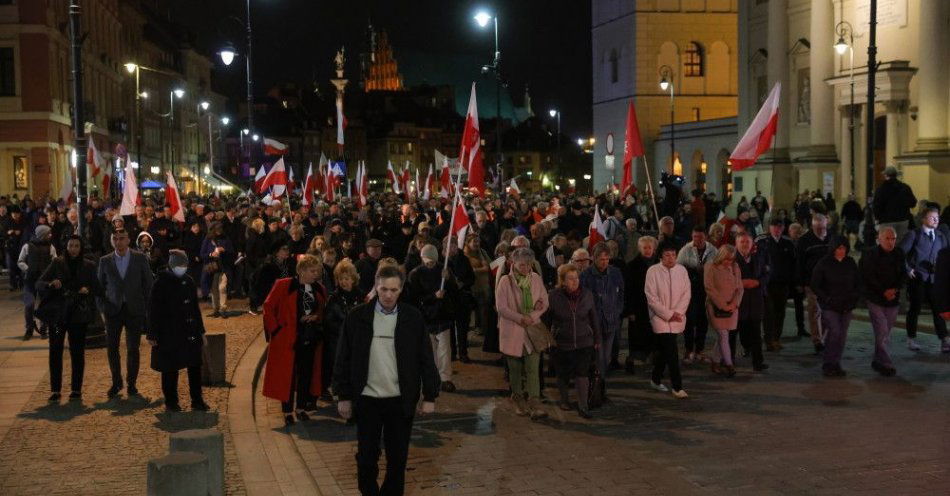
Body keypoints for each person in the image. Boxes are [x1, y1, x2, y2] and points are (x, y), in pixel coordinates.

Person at [333, 264, 440, 496]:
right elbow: (343, 357)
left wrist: (430, 395)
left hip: (400, 400)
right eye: (383, 289)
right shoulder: (357, 317)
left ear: (401, 289)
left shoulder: (412, 318)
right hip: (368, 399)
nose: (388, 295)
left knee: (398, 459)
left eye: (393, 290)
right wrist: (343, 395)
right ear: (376, 287)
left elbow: (425, 358)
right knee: (366, 457)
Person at [262, 255, 328, 424]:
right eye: (312, 271)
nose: (316, 274)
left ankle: (301, 408)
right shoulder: (284, 285)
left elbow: (322, 311)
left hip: (310, 337)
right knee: (288, 376)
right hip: (288, 338)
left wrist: (315, 318)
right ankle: (287, 411)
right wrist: (276, 330)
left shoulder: (319, 289)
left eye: (317, 271)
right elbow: (268, 307)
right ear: (302, 270)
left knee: (306, 374)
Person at [37, 235, 101, 401]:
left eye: (76, 246)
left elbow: (98, 288)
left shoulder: (89, 265)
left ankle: (76, 389)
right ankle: (55, 390)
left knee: (77, 352)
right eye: (71, 245)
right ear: (66, 247)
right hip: (59, 314)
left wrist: (88, 290)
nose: (73, 249)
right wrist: (51, 284)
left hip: (78, 316)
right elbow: (40, 282)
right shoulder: (57, 262)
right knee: (55, 349)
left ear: (81, 248)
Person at [146, 250, 210, 412]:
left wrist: (201, 331)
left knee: (194, 366)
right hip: (170, 333)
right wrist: (152, 333)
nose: (182, 268)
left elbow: (195, 309)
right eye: (179, 265)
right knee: (170, 368)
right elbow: (154, 310)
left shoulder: (188, 281)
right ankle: (171, 402)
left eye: (184, 265)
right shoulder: (161, 283)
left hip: (190, 332)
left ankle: (197, 400)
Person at [97, 229, 154, 398]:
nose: (119, 242)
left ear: (128, 240)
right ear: (111, 241)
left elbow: (147, 284)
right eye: (115, 239)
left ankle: (132, 383)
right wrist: (102, 308)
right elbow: (99, 287)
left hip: (133, 309)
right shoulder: (105, 261)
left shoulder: (139, 258)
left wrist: (144, 306)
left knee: (132, 348)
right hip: (113, 310)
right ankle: (116, 382)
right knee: (112, 348)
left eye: (122, 238)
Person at [495, 247, 549, 419]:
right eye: (522, 264)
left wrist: (532, 316)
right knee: (515, 369)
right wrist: (520, 318)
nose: (526, 268)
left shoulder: (536, 278)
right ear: (513, 263)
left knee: (533, 368)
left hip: (532, 331)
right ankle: (518, 399)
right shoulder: (505, 281)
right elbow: (501, 308)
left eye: (529, 264)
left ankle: (534, 402)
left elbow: (544, 301)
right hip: (513, 331)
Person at [544, 263, 599, 418]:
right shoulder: (553, 296)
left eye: (576, 278)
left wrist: (597, 338)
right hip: (562, 342)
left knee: (582, 373)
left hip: (584, 341)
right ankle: (564, 399)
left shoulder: (587, 294)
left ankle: (583, 405)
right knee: (563, 374)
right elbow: (547, 321)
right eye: (570, 278)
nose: (575, 281)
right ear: (562, 281)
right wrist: (548, 340)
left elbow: (593, 318)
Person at [406, 244, 459, 392]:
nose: (430, 263)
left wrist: (448, 280)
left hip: (442, 315)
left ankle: (446, 378)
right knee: (430, 350)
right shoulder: (415, 274)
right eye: (427, 260)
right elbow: (414, 298)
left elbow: (454, 292)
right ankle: (433, 377)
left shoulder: (444, 270)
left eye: (432, 260)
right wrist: (432, 297)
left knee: (444, 349)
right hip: (425, 316)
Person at [898, 207, 950, 352]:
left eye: (937, 217)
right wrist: (908, 269)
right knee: (915, 308)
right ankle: (911, 338)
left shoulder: (940, 236)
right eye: (932, 217)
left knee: (938, 309)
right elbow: (900, 253)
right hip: (918, 278)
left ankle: (944, 339)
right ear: (923, 219)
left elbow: (946, 256)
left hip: (935, 280)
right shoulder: (914, 235)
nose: (936, 220)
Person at [644, 243, 690, 398]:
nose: (671, 258)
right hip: (660, 318)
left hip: (677, 316)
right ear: (661, 256)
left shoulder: (682, 270)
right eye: (667, 255)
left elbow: (686, 292)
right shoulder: (653, 271)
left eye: (673, 255)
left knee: (665, 350)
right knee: (672, 351)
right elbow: (651, 297)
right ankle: (677, 386)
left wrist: (678, 312)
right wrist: (668, 314)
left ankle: (655, 379)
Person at [810, 237, 859, 377]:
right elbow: (815, 284)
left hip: (847, 305)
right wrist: (826, 298)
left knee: (842, 335)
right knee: (835, 332)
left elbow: (857, 281)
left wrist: (854, 297)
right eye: (839, 248)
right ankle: (828, 363)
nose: (841, 251)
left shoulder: (850, 263)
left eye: (844, 248)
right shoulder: (824, 263)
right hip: (830, 305)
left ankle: (836, 362)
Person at [859, 227, 905, 376]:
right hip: (875, 298)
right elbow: (868, 276)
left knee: (885, 332)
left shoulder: (899, 253)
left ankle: (877, 359)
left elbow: (903, 274)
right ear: (880, 239)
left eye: (893, 239)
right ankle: (886, 362)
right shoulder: (870, 254)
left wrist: (895, 290)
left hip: (893, 299)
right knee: (882, 329)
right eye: (888, 239)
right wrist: (883, 291)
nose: (891, 242)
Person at [580, 243, 625, 380]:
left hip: (610, 321)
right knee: (596, 356)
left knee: (605, 357)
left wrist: (617, 312)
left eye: (607, 259)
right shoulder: (586, 276)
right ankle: (594, 386)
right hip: (593, 323)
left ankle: (600, 385)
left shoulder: (615, 273)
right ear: (594, 258)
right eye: (601, 259)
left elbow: (621, 294)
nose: (604, 262)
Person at [323, 259, 363, 398]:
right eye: (340, 279)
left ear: (353, 279)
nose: (343, 282)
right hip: (338, 341)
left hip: (357, 341)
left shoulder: (361, 296)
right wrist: (343, 329)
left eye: (346, 278)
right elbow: (328, 321)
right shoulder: (334, 298)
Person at [676, 225, 717, 364]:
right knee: (689, 320)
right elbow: (678, 269)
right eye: (694, 237)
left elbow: (717, 270)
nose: (697, 240)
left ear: (705, 237)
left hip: (706, 291)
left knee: (703, 321)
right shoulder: (685, 250)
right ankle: (688, 350)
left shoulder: (713, 251)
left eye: (700, 237)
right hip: (689, 291)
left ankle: (699, 349)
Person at [757, 218, 797, 351]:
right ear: (770, 227)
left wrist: (792, 282)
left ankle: (776, 338)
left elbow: (793, 263)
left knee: (780, 312)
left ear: (783, 228)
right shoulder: (762, 241)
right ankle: (768, 339)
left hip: (782, 283)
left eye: (780, 227)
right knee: (768, 312)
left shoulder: (788, 243)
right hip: (767, 284)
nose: (777, 229)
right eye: (774, 226)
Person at [704, 244, 743, 377]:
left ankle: (715, 362)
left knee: (722, 337)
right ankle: (729, 364)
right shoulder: (710, 266)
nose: (728, 262)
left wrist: (734, 303)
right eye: (726, 259)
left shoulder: (735, 267)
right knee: (723, 335)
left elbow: (740, 288)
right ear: (720, 256)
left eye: (731, 259)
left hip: (732, 307)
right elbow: (709, 289)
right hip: (715, 307)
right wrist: (723, 305)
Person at [796, 214, 831, 353]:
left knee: (828, 311)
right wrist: (800, 282)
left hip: (830, 281)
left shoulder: (831, 237)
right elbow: (799, 262)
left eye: (823, 227)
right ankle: (817, 340)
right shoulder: (805, 240)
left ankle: (825, 337)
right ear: (813, 226)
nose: (821, 230)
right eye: (818, 228)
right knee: (815, 310)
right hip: (812, 282)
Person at [622, 236, 658, 372]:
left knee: (653, 334)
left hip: (654, 306)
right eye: (645, 248)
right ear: (640, 248)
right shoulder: (632, 265)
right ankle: (631, 360)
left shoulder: (658, 264)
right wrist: (630, 310)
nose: (648, 250)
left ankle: (654, 358)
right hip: (638, 307)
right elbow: (629, 289)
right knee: (636, 336)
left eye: (650, 247)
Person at [734, 232, 769, 372]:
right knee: (738, 331)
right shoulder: (732, 259)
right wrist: (741, 283)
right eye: (742, 242)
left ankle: (758, 362)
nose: (745, 244)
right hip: (738, 300)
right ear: (736, 244)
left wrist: (758, 282)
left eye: (747, 242)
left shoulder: (759, 257)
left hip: (756, 298)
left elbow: (767, 274)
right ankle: (729, 361)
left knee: (756, 332)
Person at [19, 224, 57, 340]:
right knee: (28, 305)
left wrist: (49, 273)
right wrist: (28, 269)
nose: (50, 235)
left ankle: (43, 329)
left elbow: (55, 261)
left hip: (44, 281)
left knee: (44, 305)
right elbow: (20, 261)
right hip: (29, 281)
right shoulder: (27, 246)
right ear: (42, 235)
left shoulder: (51, 247)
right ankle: (29, 328)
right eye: (48, 234)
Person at [873, 165, 916, 242]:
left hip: (887, 221)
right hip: (903, 220)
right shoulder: (905, 187)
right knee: (901, 244)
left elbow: (876, 206)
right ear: (896, 175)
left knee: (887, 244)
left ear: (885, 175)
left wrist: (878, 219)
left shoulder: (881, 189)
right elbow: (913, 203)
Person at [201, 222, 234, 318]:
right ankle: (216, 309)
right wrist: (211, 254)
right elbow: (202, 254)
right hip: (213, 267)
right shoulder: (208, 239)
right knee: (214, 289)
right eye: (217, 230)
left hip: (224, 267)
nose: (219, 232)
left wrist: (225, 250)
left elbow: (232, 252)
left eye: (220, 230)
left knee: (222, 288)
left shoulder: (225, 238)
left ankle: (223, 309)